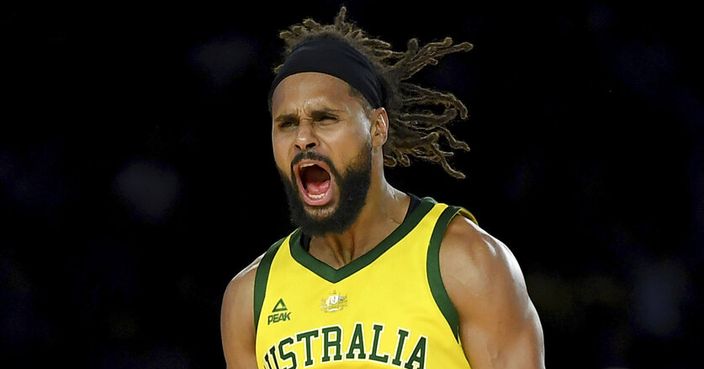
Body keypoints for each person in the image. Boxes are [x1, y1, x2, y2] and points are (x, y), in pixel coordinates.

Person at [220, 7, 545, 369]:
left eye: (325, 118)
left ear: (377, 127)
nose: (303, 138)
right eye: (287, 124)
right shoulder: (250, 297)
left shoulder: (466, 261)